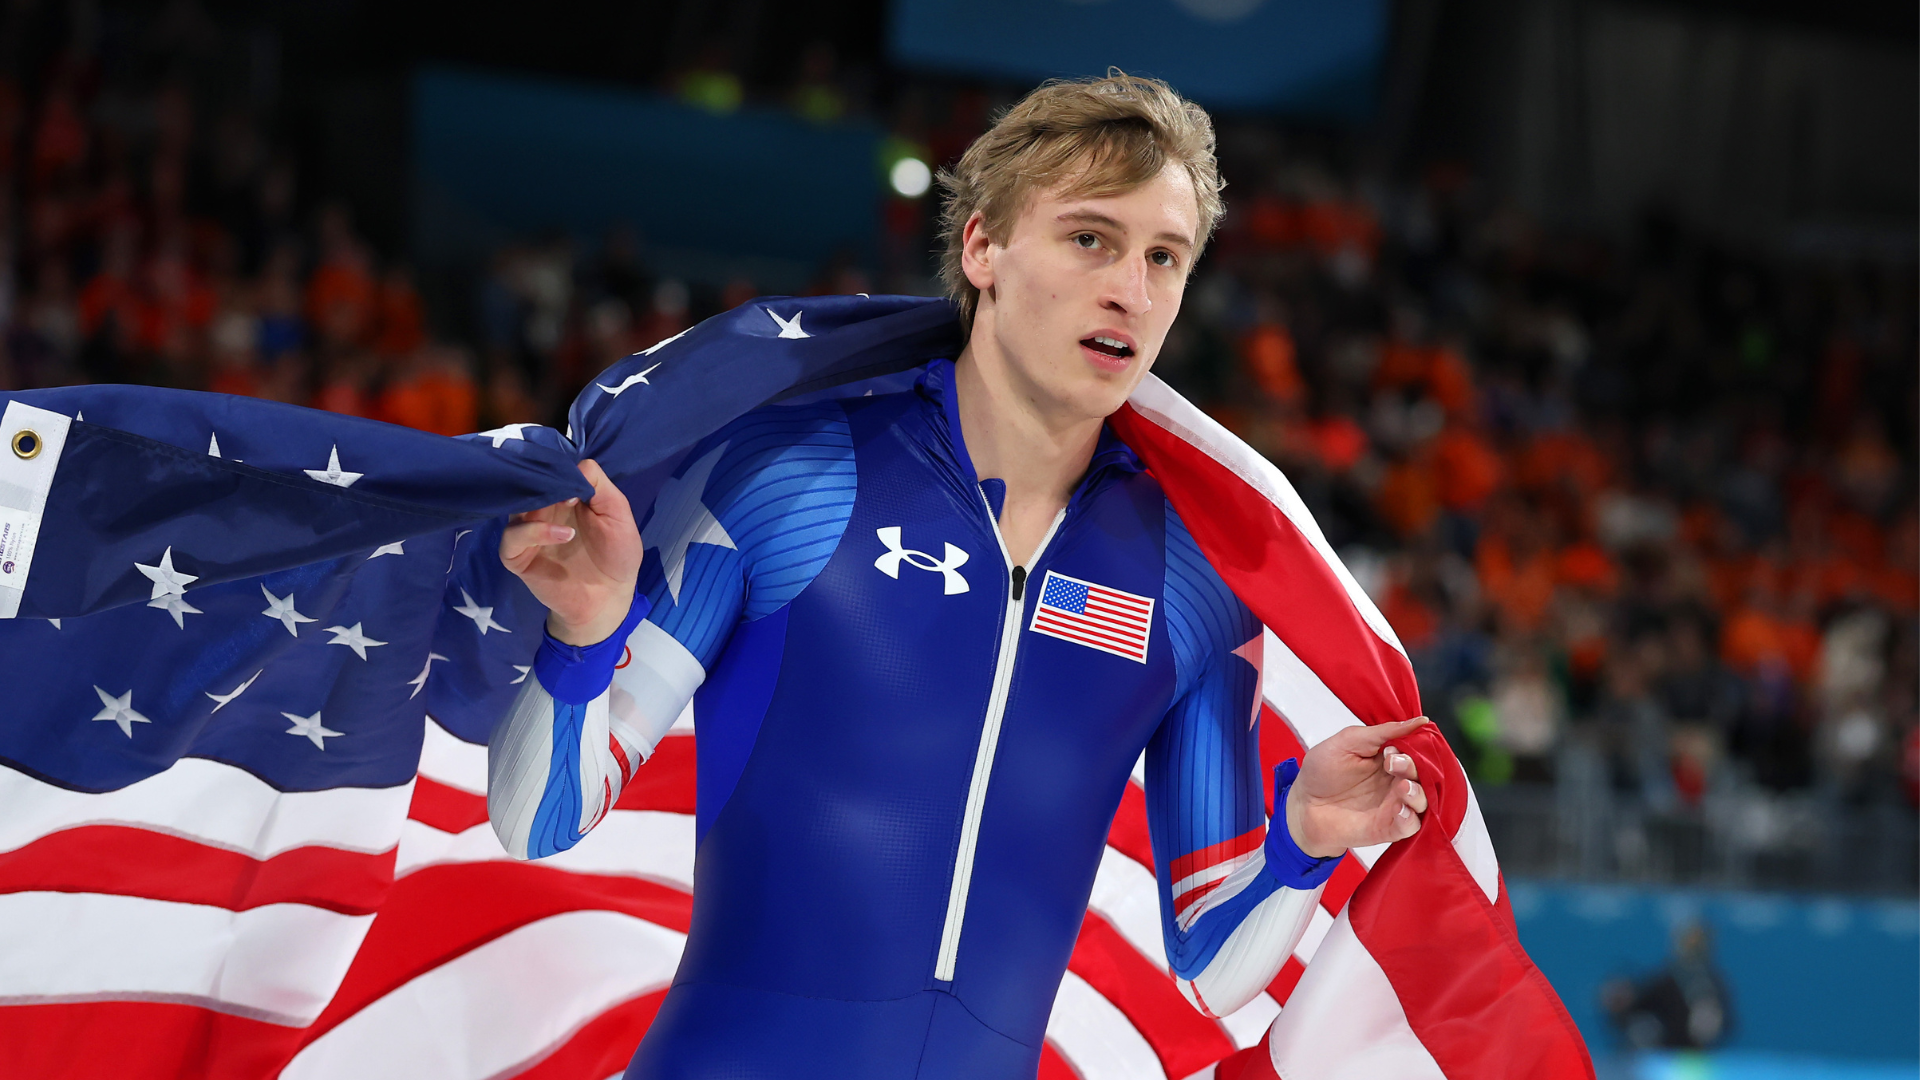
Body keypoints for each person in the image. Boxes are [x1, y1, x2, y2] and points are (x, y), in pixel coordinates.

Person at [485, 74, 1430, 1078]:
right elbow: (540, 817)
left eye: (1165, 256)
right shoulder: (793, 476)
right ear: (983, 248)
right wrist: (584, 636)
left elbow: (1211, 965)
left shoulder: (1195, 579)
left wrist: (1302, 840)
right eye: (1090, 239)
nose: (1132, 290)